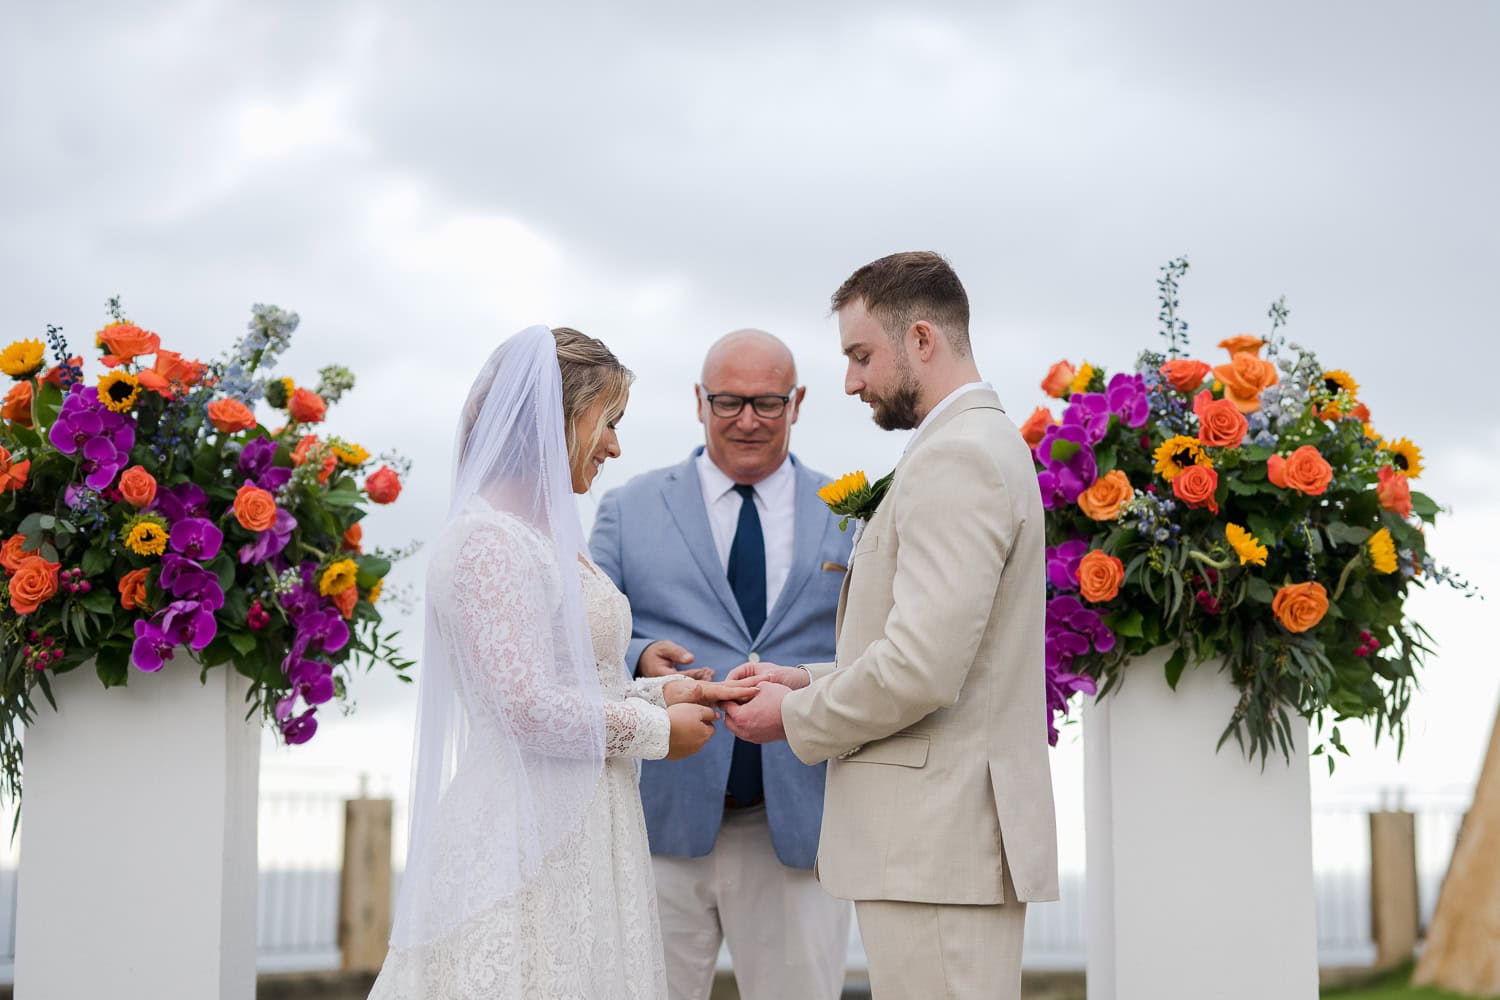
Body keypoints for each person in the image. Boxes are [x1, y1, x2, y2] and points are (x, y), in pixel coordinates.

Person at [370, 325, 752, 1000]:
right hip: (523, 840)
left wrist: (662, 694)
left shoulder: (545, 535)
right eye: (607, 421)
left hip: (585, 824)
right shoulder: (489, 542)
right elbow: (523, 709)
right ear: (557, 419)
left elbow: (572, 684)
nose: (614, 445)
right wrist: (658, 735)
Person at [723, 254, 1060, 1000]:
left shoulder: (960, 457)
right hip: (937, 849)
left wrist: (797, 715)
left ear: (921, 339)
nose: (851, 381)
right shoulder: (970, 446)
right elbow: (936, 650)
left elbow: (921, 669)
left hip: (937, 847)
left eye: (861, 355)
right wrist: (805, 676)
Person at [589, 329, 853, 1000]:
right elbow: (581, 628)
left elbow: (870, 646)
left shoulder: (850, 514)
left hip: (799, 821)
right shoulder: (628, 506)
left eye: (766, 402)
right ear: (698, 401)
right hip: (660, 818)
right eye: (729, 401)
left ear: (797, 402)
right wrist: (641, 655)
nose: (747, 420)